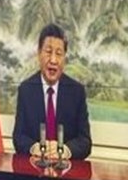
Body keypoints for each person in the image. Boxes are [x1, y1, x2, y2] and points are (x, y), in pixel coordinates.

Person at [12, 23, 92, 160]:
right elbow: (19, 137)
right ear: (39, 53)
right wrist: (34, 147)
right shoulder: (26, 89)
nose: (53, 60)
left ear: (64, 57)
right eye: (48, 52)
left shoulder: (76, 92)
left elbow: (85, 141)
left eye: (59, 54)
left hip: (66, 169)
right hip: (35, 167)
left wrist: (66, 150)